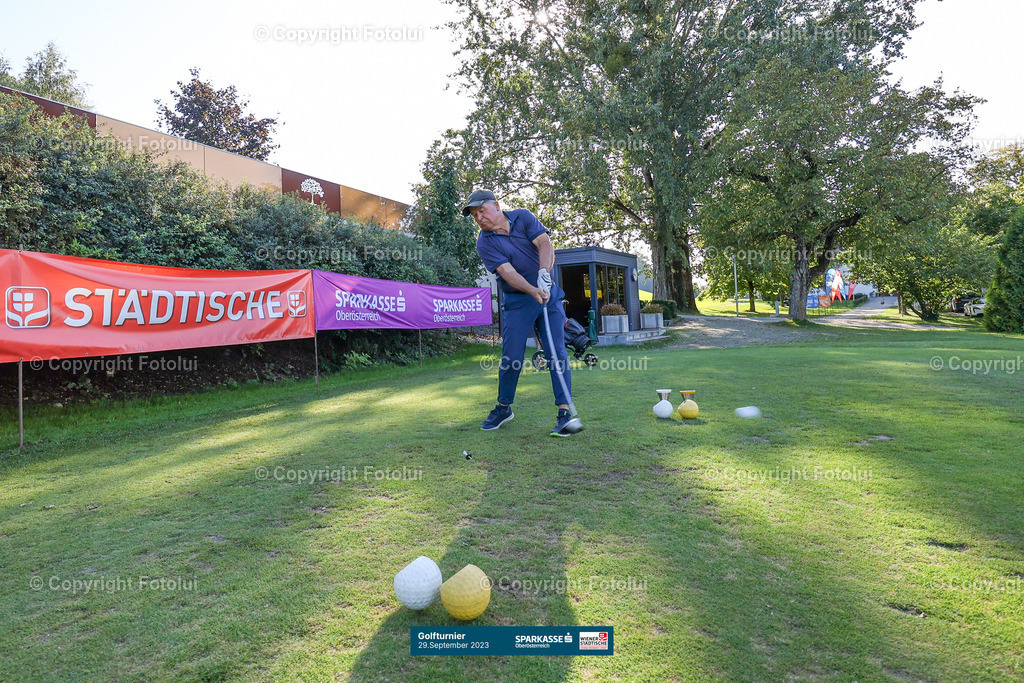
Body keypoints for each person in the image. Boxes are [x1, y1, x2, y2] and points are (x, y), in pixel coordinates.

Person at [463, 189, 578, 437]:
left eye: (481, 211)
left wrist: (544, 274)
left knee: (556, 353)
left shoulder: (523, 217)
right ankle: (504, 408)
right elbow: (507, 273)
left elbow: (545, 243)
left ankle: (564, 413)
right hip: (518, 301)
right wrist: (532, 289)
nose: (479, 217)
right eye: (474, 215)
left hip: (548, 296)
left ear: (496, 205)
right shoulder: (484, 242)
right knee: (512, 357)